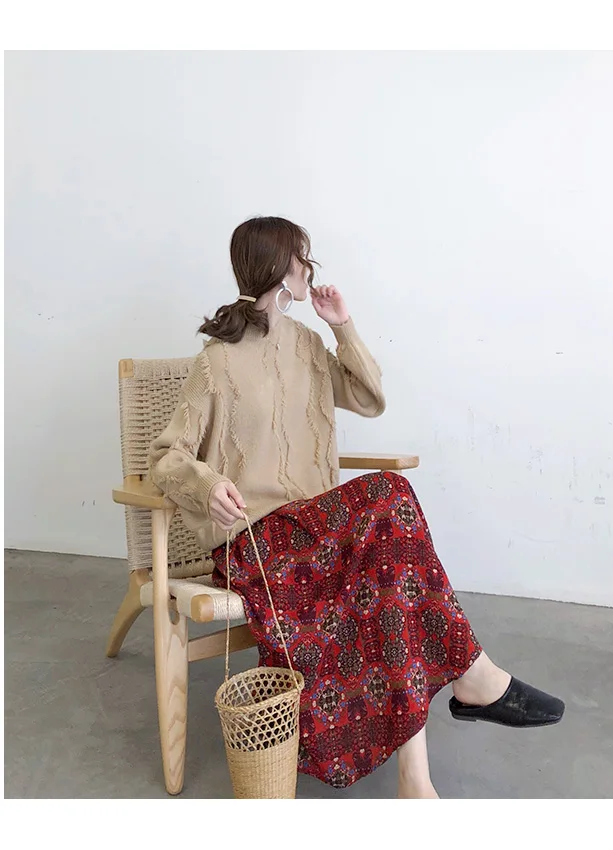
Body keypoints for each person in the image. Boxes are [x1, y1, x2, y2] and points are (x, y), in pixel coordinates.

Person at [148, 216, 565, 798]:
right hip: (260, 545)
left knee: (392, 573)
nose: (310, 268)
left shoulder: (308, 345)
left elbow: (370, 399)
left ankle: (417, 780)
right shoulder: (215, 362)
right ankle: (474, 676)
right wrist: (207, 482)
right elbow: (165, 457)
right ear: (281, 268)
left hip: (321, 532)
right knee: (389, 496)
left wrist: (342, 326)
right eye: (303, 258)